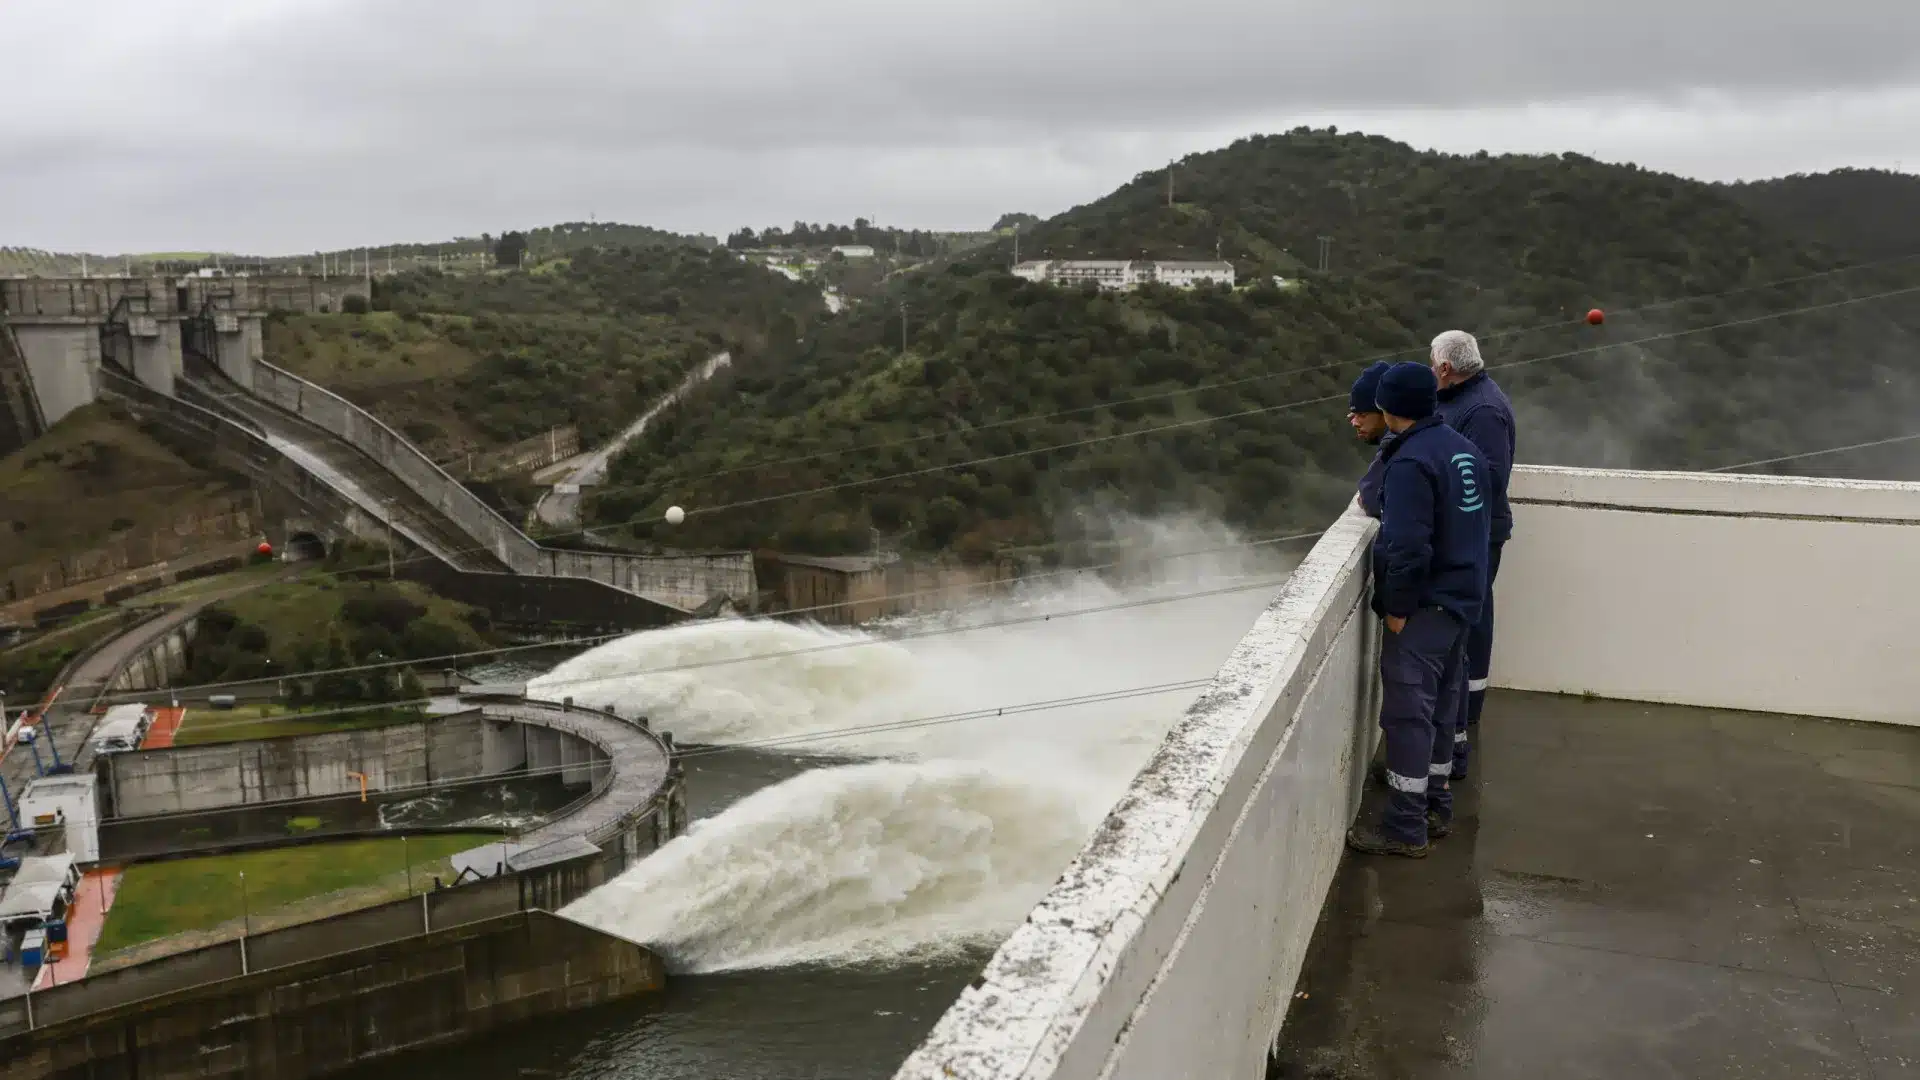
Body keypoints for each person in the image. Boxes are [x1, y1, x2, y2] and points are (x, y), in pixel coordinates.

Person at [1346, 362, 1491, 859]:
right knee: (1441, 705)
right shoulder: (1463, 451)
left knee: (1408, 713)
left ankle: (1406, 828)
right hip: (1463, 599)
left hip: (1427, 604)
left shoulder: (1410, 463)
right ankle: (1436, 805)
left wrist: (1395, 607)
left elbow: (1408, 547)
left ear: (1387, 408)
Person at [1430, 330, 1516, 783]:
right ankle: (1462, 712)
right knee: (1471, 616)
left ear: (1445, 368)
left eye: (1432, 364)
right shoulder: (1461, 398)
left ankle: (1468, 712)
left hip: (1477, 535)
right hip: (1470, 533)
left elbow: (1488, 478)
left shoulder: (1481, 410)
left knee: (1470, 619)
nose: (1430, 371)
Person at [1349, 360, 1393, 518]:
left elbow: (1371, 498)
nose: (1354, 422)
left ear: (1385, 412)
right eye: (1353, 414)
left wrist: (1366, 497)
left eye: (1363, 414)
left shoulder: (1396, 443)